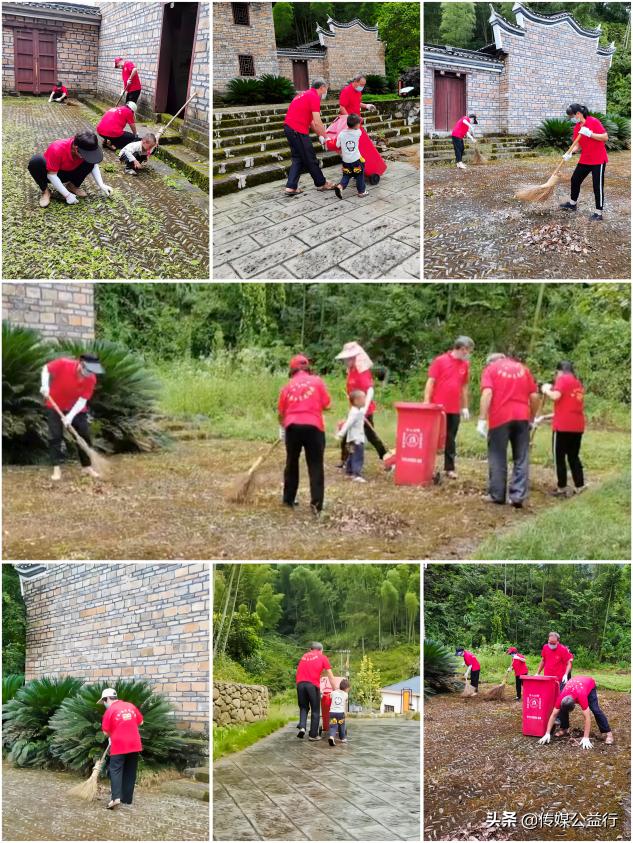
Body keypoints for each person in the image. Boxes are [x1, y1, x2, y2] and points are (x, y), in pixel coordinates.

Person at [477, 353, 540, 508]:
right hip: (522, 417)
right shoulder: (523, 369)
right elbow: (534, 396)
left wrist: (482, 419)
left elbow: (487, 393)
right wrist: (532, 418)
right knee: (521, 457)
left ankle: (497, 495)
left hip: (500, 417)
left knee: (497, 456)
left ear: (491, 362)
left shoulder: (491, 369)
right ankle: (518, 497)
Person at [278, 354, 331, 514]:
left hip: (292, 427)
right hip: (314, 426)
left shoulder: (287, 386)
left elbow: (281, 412)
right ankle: (316, 505)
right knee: (315, 464)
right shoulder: (317, 381)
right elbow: (327, 404)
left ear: (292, 369)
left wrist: (282, 428)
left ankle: (288, 499)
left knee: (292, 462)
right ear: (307, 368)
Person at [40, 353, 105, 480]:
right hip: (54, 405)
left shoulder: (91, 379)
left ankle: (87, 467)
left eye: (93, 370)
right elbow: (46, 369)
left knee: (83, 435)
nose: (90, 373)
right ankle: (56, 468)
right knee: (55, 436)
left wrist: (70, 416)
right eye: (88, 369)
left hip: (76, 408)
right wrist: (45, 385)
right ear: (81, 363)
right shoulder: (64, 363)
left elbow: (82, 400)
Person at [424, 336, 474, 479]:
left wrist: (465, 407)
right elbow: (430, 381)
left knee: (451, 438)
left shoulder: (465, 365)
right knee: (433, 437)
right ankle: (427, 466)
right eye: (468, 350)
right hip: (438, 407)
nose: (468, 353)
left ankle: (449, 468)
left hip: (454, 408)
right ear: (462, 348)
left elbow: (464, 387)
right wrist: (427, 401)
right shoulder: (440, 361)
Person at [535, 361, 587, 497]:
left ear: (560, 371)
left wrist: (546, 389)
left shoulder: (563, 379)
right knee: (573, 456)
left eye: (556, 373)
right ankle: (580, 485)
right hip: (577, 426)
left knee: (559, 457)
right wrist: (544, 417)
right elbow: (567, 409)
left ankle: (562, 487)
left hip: (562, 427)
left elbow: (555, 396)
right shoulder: (577, 382)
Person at [335, 341, 388, 467]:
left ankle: (386, 457)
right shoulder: (351, 371)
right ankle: (345, 461)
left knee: (372, 436)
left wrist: (364, 408)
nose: (345, 362)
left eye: (348, 359)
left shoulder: (362, 372)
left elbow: (370, 390)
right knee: (348, 435)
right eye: (345, 359)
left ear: (354, 358)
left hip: (364, 411)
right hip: (354, 409)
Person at [27, 130, 111, 208]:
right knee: (35, 161)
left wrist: (101, 184)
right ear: (76, 148)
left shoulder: (85, 148)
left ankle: (72, 186)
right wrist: (67, 195)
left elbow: (94, 164)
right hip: (53, 174)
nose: (88, 156)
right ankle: (46, 191)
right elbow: (51, 175)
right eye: (85, 154)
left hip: (70, 172)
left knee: (89, 162)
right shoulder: (57, 148)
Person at [283, 78, 336, 195]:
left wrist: (320, 135)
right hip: (297, 130)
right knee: (310, 158)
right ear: (322, 87)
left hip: (289, 128)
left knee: (298, 158)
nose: (325, 92)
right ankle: (321, 183)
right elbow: (317, 121)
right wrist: (326, 136)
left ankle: (291, 187)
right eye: (326, 89)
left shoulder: (303, 94)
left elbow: (311, 122)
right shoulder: (314, 97)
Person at [560, 104, 608, 221]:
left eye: (573, 115)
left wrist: (590, 134)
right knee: (575, 179)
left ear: (578, 113)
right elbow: (578, 144)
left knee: (597, 186)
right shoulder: (577, 127)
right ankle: (572, 204)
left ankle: (598, 213)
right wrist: (570, 153)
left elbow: (605, 137)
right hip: (585, 159)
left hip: (598, 159)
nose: (573, 118)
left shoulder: (593, 121)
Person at [538, 676, 613, 749]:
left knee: (595, 709)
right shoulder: (561, 697)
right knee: (561, 709)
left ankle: (608, 733)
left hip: (589, 684)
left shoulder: (581, 697)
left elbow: (587, 717)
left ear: (574, 704)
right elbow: (553, 715)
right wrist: (547, 733)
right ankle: (564, 728)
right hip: (575, 682)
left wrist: (586, 737)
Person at [99, 687, 144, 808]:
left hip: (119, 744)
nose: (104, 704)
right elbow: (140, 722)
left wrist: (110, 735)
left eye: (103, 701)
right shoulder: (130, 706)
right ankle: (127, 799)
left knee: (115, 769)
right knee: (130, 770)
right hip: (134, 743)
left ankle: (115, 798)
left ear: (107, 699)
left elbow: (105, 732)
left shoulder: (110, 711)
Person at [295, 643, 337, 741]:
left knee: (303, 707)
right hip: (312, 685)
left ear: (310, 649)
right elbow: (330, 675)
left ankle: (302, 727)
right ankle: (313, 735)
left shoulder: (304, 656)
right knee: (315, 710)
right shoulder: (322, 657)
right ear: (321, 650)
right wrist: (335, 689)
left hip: (300, 685)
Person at [336, 389, 367, 482]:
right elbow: (348, 423)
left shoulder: (356, 411)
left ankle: (349, 472)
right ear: (356, 401)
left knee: (352, 455)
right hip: (356, 439)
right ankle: (356, 474)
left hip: (351, 439)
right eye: (363, 398)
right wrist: (341, 434)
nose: (365, 400)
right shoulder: (355, 412)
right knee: (358, 456)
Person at [333, 113, 368, 199]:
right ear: (356, 125)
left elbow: (337, 145)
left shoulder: (341, 134)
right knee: (360, 175)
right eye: (359, 123)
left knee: (347, 175)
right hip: (356, 160)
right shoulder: (358, 132)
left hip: (345, 161)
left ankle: (340, 187)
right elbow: (357, 128)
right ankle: (361, 192)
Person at [328, 678, 350, 747]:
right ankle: (342, 738)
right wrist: (345, 712)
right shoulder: (345, 695)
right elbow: (345, 704)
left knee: (333, 726)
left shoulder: (333, 692)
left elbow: (330, 696)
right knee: (341, 725)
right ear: (346, 688)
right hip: (340, 713)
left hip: (332, 713)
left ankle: (331, 737)